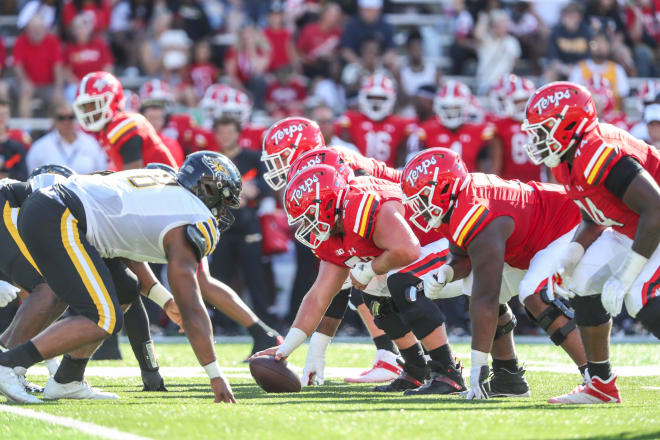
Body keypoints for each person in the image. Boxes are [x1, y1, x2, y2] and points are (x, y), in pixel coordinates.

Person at [0, 152, 240, 404]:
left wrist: (165, 301)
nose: (221, 212)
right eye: (223, 202)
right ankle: (8, 364)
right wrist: (215, 374)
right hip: (59, 212)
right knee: (103, 317)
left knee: (125, 288)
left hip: (62, 213)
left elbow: (126, 249)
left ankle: (68, 379)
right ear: (207, 189)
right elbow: (191, 306)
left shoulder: (165, 186)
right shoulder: (193, 216)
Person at [254, 164, 467, 395]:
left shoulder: (361, 205)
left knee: (399, 284)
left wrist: (369, 269)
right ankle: (418, 369)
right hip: (415, 251)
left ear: (327, 203)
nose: (307, 224)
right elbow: (318, 296)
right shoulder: (333, 228)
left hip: (445, 243)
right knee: (373, 293)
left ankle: (448, 372)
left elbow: (408, 251)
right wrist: (286, 348)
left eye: (309, 215)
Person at [402, 147, 588, 399]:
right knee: (473, 286)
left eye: (423, 197)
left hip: (566, 224)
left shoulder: (476, 209)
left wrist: (477, 367)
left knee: (533, 295)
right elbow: (462, 255)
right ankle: (508, 378)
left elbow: (485, 297)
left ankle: (596, 376)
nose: (419, 207)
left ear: (444, 188)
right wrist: (447, 272)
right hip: (531, 240)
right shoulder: (458, 202)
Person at [522, 81, 660, 404]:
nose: (537, 139)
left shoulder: (596, 149)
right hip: (637, 226)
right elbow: (595, 213)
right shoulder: (567, 160)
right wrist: (571, 255)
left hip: (653, 220)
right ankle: (601, 384)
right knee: (583, 277)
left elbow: (655, 208)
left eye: (544, 130)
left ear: (569, 124)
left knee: (639, 294)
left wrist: (625, 275)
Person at [0, 165, 181, 397]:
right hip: (10, 206)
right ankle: (7, 367)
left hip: (33, 216)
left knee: (118, 287)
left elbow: (128, 287)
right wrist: (166, 302)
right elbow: (131, 261)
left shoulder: (117, 195)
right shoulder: (118, 195)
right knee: (49, 288)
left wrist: (150, 370)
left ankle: (68, 379)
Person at [261, 117, 403, 385]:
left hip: (406, 222)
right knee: (351, 275)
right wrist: (316, 352)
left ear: (299, 150)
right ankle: (394, 355)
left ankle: (398, 356)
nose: (277, 166)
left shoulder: (331, 165)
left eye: (281, 157)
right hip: (391, 227)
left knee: (365, 278)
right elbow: (333, 279)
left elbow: (348, 266)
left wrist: (315, 351)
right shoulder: (316, 173)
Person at [208, 117, 275, 326]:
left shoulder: (252, 158)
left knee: (255, 276)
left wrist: (252, 191)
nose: (225, 136)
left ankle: (263, 322)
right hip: (220, 228)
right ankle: (222, 324)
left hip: (248, 225)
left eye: (229, 132)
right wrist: (239, 192)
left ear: (238, 134)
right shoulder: (210, 160)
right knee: (219, 277)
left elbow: (266, 184)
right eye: (221, 132)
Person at [73, 71, 177, 170]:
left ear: (114, 100)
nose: (89, 111)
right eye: (85, 107)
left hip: (164, 186)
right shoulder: (106, 131)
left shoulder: (123, 124)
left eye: (94, 104)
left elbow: (133, 179)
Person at [407, 80, 499, 174]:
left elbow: (487, 166)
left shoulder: (480, 131)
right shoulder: (425, 130)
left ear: (466, 106)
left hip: (469, 185)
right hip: (436, 184)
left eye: (455, 108)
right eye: (446, 108)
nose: (451, 113)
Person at [335, 74, 416, 168]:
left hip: (390, 177)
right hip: (358, 176)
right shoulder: (350, 119)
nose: (376, 102)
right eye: (371, 97)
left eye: (381, 98)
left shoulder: (402, 124)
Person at [27, 103, 108, 174]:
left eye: (70, 117)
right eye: (61, 118)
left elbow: (102, 171)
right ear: (54, 120)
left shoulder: (90, 143)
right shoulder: (40, 147)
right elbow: (32, 177)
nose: (66, 122)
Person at [488, 74, 542, 182]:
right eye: (517, 101)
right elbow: (496, 162)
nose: (522, 104)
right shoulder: (500, 125)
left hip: (539, 183)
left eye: (525, 99)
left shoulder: (542, 122)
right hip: (509, 184)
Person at [13, 14, 64, 117]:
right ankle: (26, 130)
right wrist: (25, 81)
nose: (37, 31)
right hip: (28, 84)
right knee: (25, 92)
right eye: (33, 28)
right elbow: (18, 66)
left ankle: (55, 131)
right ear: (27, 29)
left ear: (45, 28)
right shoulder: (20, 42)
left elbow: (58, 67)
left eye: (39, 27)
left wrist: (58, 88)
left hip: (47, 86)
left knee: (61, 101)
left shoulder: (53, 42)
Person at [568, 33, 630, 109]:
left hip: (611, 117)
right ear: (589, 46)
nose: (599, 47)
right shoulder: (579, 68)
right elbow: (572, 96)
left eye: (603, 43)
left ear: (609, 46)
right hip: (585, 117)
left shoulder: (617, 69)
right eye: (596, 43)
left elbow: (622, 98)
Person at [62, 13, 114, 103]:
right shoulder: (69, 48)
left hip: (99, 84)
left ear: (89, 28)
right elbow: (66, 71)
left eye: (82, 27)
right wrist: (81, 85)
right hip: (77, 85)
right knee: (70, 93)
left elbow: (108, 66)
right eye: (76, 28)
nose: (79, 31)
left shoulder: (100, 44)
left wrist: (100, 83)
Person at [340, 0, 397, 72]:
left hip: (380, 66)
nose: (369, 13)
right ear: (360, 9)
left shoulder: (386, 26)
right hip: (356, 66)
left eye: (372, 10)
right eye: (366, 10)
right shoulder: (351, 25)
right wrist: (361, 63)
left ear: (379, 10)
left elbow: (391, 50)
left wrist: (379, 62)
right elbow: (346, 51)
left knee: (393, 67)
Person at [474, 9, 522, 93]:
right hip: (485, 84)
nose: (503, 26)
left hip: (504, 85)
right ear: (493, 26)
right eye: (499, 24)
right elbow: (477, 35)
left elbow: (515, 62)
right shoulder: (486, 39)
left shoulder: (512, 42)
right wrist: (484, 19)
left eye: (504, 23)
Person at [545, 2, 592, 81]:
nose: (570, 18)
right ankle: (549, 92)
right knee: (550, 72)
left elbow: (590, 57)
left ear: (579, 17)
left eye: (573, 15)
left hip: (581, 67)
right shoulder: (556, 31)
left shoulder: (587, 31)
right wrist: (565, 69)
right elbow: (553, 59)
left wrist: (576, 69)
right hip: (562, 67)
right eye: (567, 15)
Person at [296, 2, 342, 79]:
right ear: (324, 14)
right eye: (331, 15)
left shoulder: (338, 33)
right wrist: (308, 59)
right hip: (309, 67)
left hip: (328, 68)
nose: (333, 19)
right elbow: (299, 51)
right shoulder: (310, 29)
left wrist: (332, 56)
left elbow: (338, 52)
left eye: (336, 16)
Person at [0, 101, 28, 181]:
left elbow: (23, 176)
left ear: (9, 116)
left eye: (4, 114)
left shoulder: (17, 144)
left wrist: (5, 171)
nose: (1, 118)